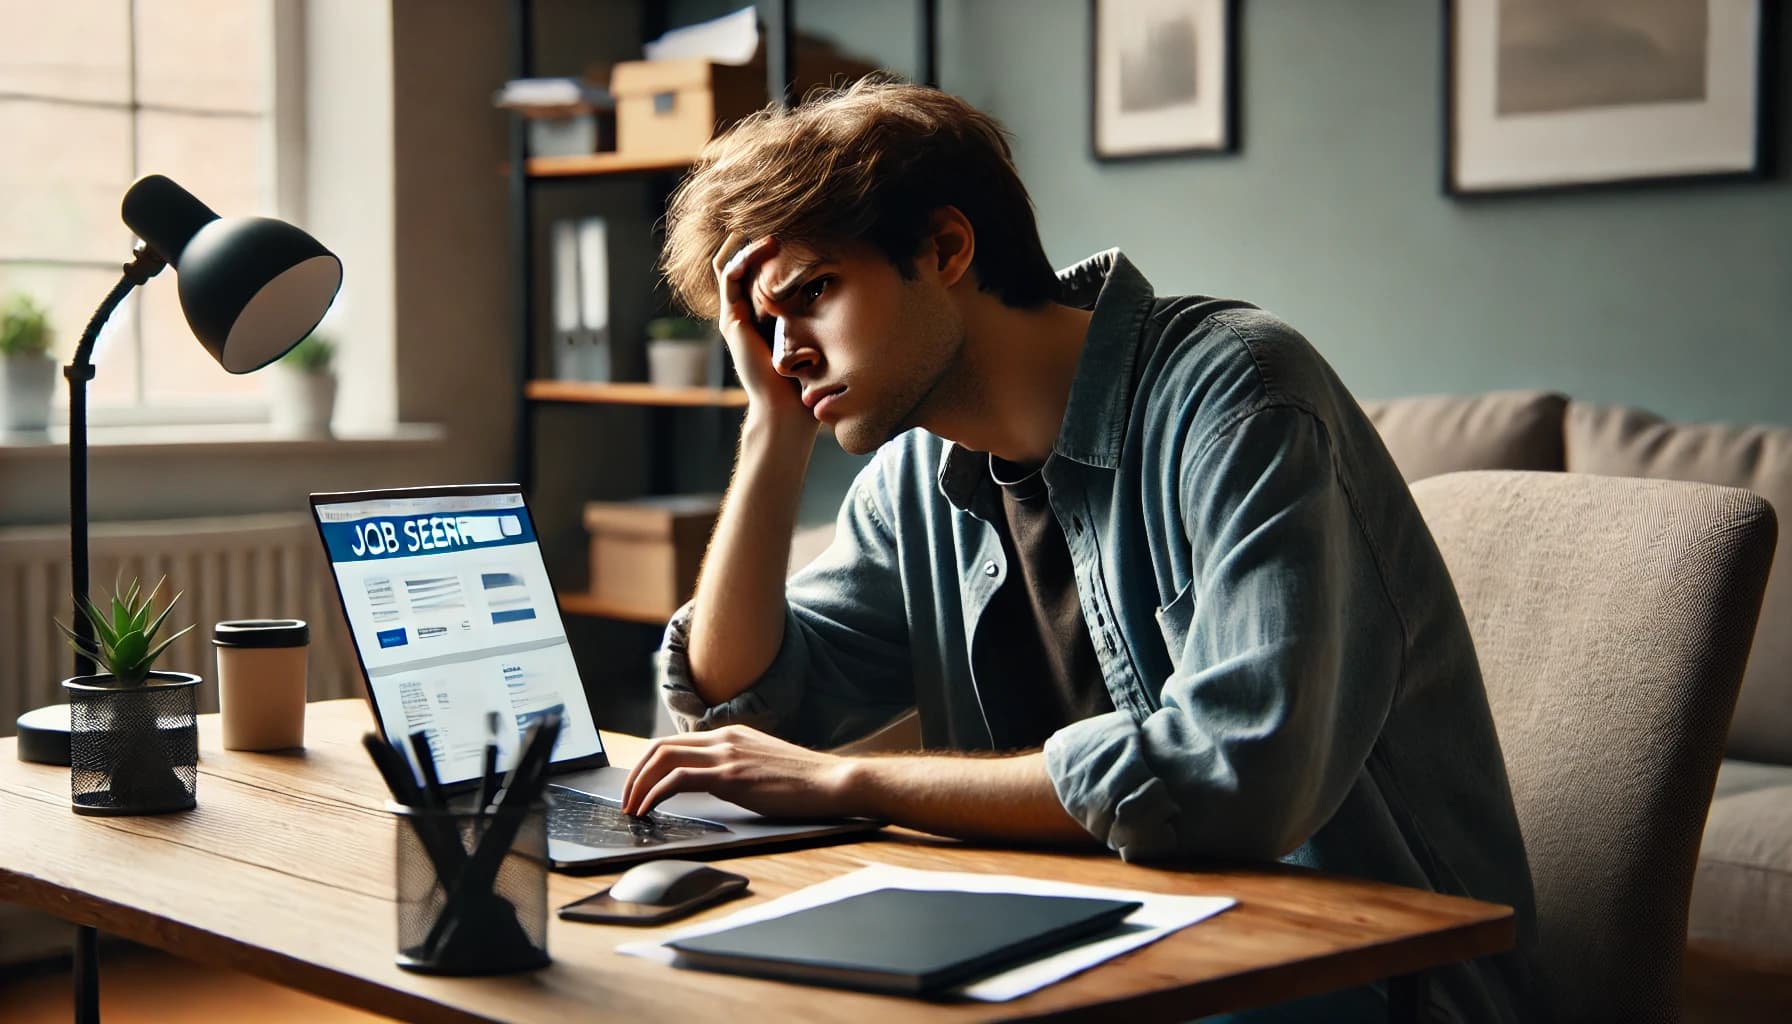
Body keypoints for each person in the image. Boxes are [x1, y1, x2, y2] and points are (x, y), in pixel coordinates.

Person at [618, 78, 1537, 1022]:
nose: (785, 350)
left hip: (1359, 983)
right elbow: (755, 705)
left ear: (944, 249)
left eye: (811, 293)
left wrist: (849, 782)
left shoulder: (1241, 397)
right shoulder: (914, 483)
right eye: (761, 324)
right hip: (1085, 954)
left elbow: (1237, 775)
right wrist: (772, 433)